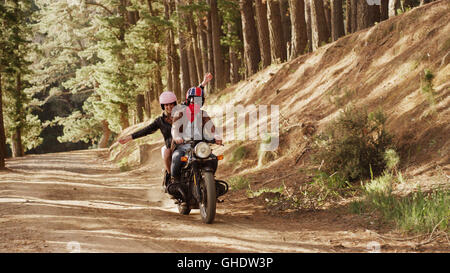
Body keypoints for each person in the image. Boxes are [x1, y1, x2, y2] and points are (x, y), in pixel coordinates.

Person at [169, 73, 222, 200]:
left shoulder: (203, 114)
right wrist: (176, 137)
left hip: (199, 145)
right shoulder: (180, 112)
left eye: (198, 100)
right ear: (188, 100)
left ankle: (209, 182)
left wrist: (217, 136)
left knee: (213, 158)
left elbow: (212, 128)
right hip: (183, 145)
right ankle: (176, 183)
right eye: (192, 99)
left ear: (202, 101)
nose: (194, 102)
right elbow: (175, 128)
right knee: (176, 158)